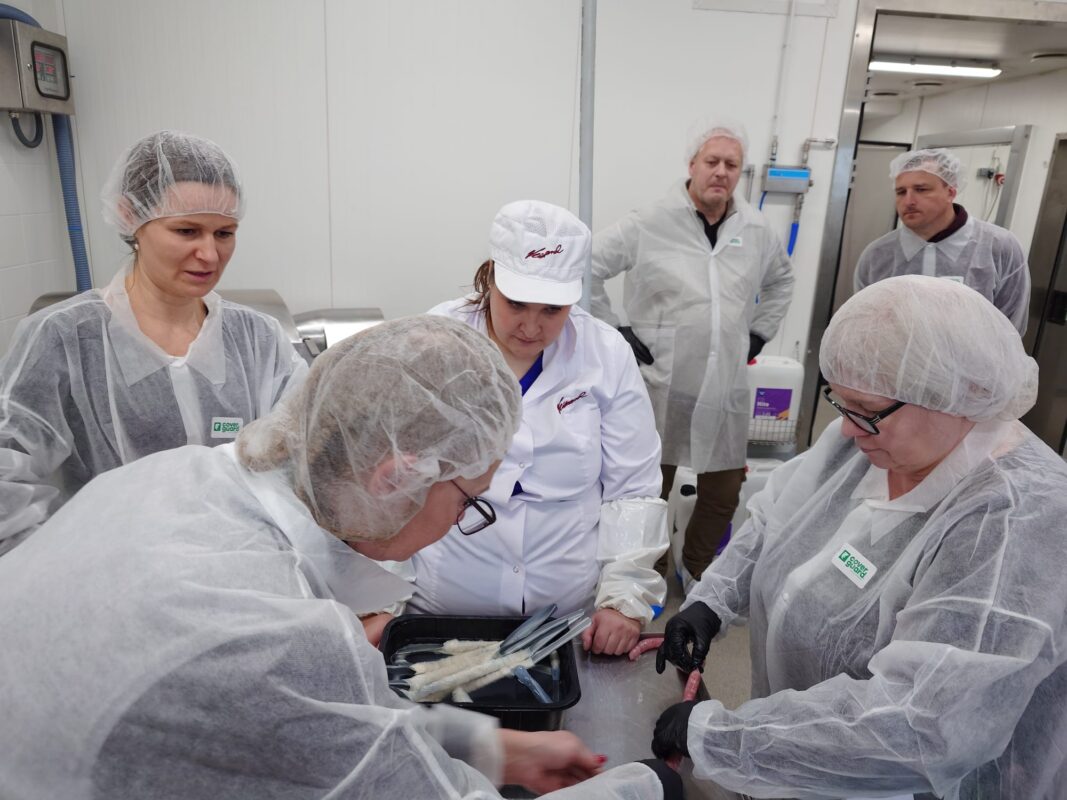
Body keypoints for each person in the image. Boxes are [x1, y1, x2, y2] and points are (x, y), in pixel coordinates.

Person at [0, 316, 682, 800]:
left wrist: (492, 748)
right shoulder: (278, 632)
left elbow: (320, 723)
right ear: (396, 479)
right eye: (469, 502)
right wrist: (645, 787)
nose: (462, 523)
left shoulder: (172, 476)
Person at [651, 275, 1067, 799]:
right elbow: (776, 521)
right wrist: (711, 603)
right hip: (799, 767)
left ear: (960, 397)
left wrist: (723, 738)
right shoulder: (865, 442)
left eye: (867, 411)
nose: (847, 428)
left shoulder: (1017, 518)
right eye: (841, 403)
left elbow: (923, 727)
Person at [0, 130, 307, 555]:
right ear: (131, 217)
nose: (210, 255)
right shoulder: (63, 337)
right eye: (187, 230)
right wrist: (66, 572)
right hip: (112, 573)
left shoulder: (257, 338)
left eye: (224, 233)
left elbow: (305, 450)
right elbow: (8, 481)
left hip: (243, 568)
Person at [394, 200, 668, 657]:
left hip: (564, 620)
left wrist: (624, 598)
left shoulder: (605, 354)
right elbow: (389, 479)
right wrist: (380, 597)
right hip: (441, 607)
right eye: (516, 303)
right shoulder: (436, 340)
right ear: (490, 279)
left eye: (552, 310)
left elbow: (633, 489)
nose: (531, 326)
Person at [589, 120, 794, 585]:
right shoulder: (650, 221)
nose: (721, 172)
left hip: (724, 384)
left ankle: (698, 567)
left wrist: (760, 332)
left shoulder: (756, 229)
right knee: (649, 488)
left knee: (723, 491)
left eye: (732, 164)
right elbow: (588, 266)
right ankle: (650, 571)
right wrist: (614, 329)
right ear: (692, 165)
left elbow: (782, 280)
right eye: (712, 161)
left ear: (740, 171)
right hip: (662, 380)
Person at [853, 147, 1031, 334]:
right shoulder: (877, 255)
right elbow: (864, 326)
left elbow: (1010, 328)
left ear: (950, 192)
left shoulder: (1000, 246)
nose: (908, 201)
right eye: (901, 192)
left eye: (921, 189)